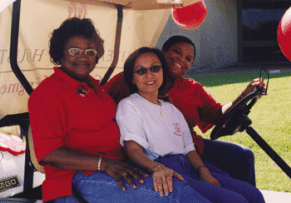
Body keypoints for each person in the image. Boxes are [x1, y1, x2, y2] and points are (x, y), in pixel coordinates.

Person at [28, 18, 212, 203]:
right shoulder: (48, 92)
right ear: (60, 52)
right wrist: (104, 164)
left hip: (118, 166)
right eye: (74, 50)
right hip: (76, 177)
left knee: (176, 182)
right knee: (174, 193)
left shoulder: (94, 86)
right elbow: (49, 154)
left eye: (90, 51)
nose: (83, 57)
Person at [103, 35, 265, 186]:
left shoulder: (191, 89)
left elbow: (217, 114)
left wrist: (245, 94)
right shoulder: (132, 80)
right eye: (177, 52)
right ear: (162, 53)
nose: (181, 60)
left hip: (192, 149)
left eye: (188, 59)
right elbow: (101, 103)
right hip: (156, 156)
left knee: (243, 156)